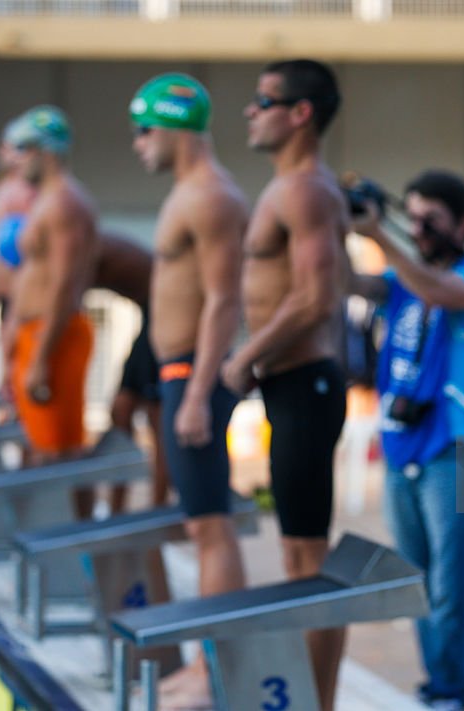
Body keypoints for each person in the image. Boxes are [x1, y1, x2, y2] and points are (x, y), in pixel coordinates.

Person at [349, 169, 464, 711]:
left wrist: (379, 237)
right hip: (401, 447)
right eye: (410, 217)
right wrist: (327, 222)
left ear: (462, 223)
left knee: (447, 590)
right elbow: (345, 284)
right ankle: (435, 686)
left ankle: (449, 693)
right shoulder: (400, 282)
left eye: (429, 221)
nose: (416, 230)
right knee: (416, 585)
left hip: (454, 452)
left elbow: (439, 290)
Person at [219, 59, 348, 711]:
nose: (249, 111)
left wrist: (247, 356)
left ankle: (315, 702)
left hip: (303, 384)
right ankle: (308, 697)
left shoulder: (303, 190)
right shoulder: (299, 189)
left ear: (300, 113)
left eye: (262, 100)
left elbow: (316, 296)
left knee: (309, 562)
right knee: (298, 554)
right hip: (296, 385)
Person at [129, 72, 249, 709]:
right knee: (200, 526)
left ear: (174, 128)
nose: (136, 143)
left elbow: (225, 298)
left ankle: (214, 670)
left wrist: (199, 392)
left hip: (194, 377)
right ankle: (208, 661)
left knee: (212, 529)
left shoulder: (210, 197)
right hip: (178, 374)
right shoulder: (189, 193)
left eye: (143, 129)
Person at [2, 106, 97, 478]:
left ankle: (74, 532)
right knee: (42, 447)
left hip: (53, 335)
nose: (14, 159)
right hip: (37, 333)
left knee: (59, 456)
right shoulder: (46, 199)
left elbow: (65, 283)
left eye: (21, 149)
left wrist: (42, 355)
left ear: (46, 151)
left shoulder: (63, 202)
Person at [90, 231, 168, 512]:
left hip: (164, 314)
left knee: (157, 418)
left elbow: (64, 298)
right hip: (150, 314)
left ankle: (158, 507)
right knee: (120, 410)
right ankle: (116, 506)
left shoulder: (80, 243)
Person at [0, 117, 37, 321]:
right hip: (5, 295)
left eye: (14, 146)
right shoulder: (3, 187)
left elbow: (26, 252)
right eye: (3, 145)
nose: (4, 151)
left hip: (22, 298)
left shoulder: (29, 191)